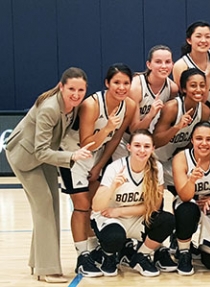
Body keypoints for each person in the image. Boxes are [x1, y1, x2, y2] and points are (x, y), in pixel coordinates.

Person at [5, 67, 93, 283]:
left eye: (81, 90)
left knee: (52, 205)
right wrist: (73, 156)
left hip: (45, 157)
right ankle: (47, 269)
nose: (76, 94)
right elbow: (40, 150)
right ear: (61, 87)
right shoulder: (50, 108)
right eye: (71, 88)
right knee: (44, 206)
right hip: (26, 158)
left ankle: (37, 263)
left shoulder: (73, 105)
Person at [59, 63, 136, 277]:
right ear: (107, 84)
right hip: (73, 154)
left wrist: (100, 165)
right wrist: (108, 128)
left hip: (97, 155)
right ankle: (82, 255)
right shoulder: (91, 104)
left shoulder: (128, 105)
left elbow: (116, 139)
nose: (121, 87)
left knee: (95, 206)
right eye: (116, 83)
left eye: (126, 83)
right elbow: (85, 142)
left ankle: (93, 249)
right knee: (82, 206)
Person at [91, 129, 176, 277]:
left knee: (167, 220)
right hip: (110, 218)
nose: (142, 150)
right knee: (114, 237)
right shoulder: (115, 168)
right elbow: (96, 206)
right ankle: (108, 256)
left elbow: (154, 206)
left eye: (146, 146)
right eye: (137, 145)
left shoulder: (156, 168)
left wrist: (120, 211)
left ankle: (141, 256)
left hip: (134, 217)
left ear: (153, 148)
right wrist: (112, 188)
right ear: (129, 147)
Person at [171, 121, 210, 275]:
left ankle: (200, 246)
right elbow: (184, 196)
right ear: (192, 140)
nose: (204, 143)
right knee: (187, 210)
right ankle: (184, 252)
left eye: (209, 139)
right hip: (189, 202)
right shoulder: (181, 158)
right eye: (199, 139)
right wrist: (192, 180)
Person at [113, 45, 178, 160]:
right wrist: (151, 114)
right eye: (158, 62)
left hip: (148, 141)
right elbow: (133, 129)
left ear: (172, 64)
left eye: (167, 62)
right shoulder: (136, 87)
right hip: (125, 139)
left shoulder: (172, 88)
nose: (164, 66)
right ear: (149, 64)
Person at [152, 68, 210, 191]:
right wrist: (177, 127)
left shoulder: (204, 112)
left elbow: (193, 144)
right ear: (184, 89)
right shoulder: (172, 108)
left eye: (202, 85)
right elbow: (155, 142)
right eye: (193, 85)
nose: (199, 90)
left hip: (177, 162)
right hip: (157, 161)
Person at [173, 21, 210, 142]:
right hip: (197, 121)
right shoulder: (181, 65)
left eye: (207, 36)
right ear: (189, 40)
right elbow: (193, 100)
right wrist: (208, 74)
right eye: (198, 36)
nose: (203, 40)